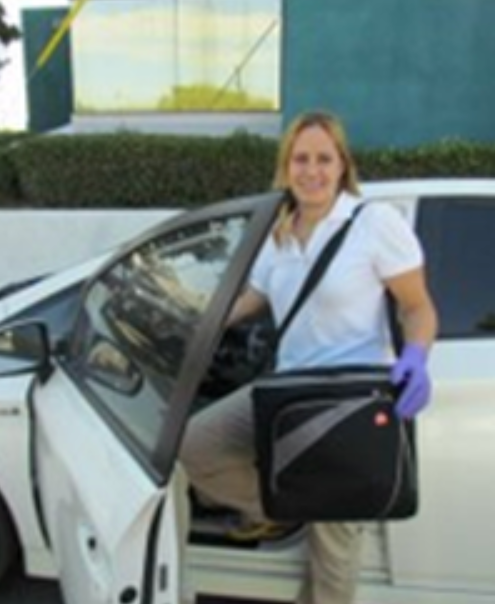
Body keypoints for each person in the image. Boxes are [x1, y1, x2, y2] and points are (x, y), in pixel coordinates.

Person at [179, 110, 438, 604]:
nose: (312, 170)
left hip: (350, 402)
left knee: (333, 560)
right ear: (286, 166)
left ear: (343, 165)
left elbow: (417, 306)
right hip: (287, 393)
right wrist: (191, 323)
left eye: (324, 158)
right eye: (301, 158)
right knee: (194, 447)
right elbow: (249, 301)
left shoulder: (373, 223)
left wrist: (418, 357)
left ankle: (310, 507)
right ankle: (287, 504)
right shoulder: (279, 233)